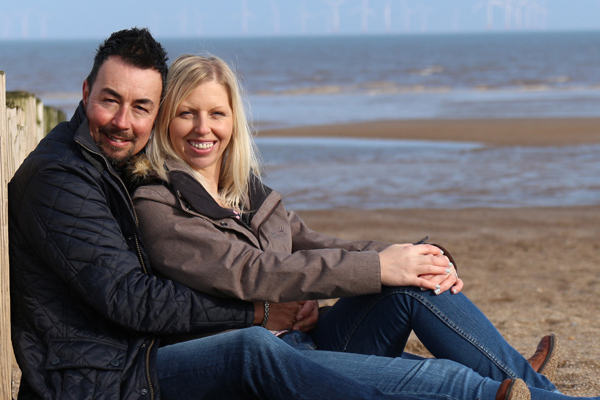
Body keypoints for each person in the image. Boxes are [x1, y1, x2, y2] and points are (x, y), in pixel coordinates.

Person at [8, 28, 475, 400]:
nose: (123, 120)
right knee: (256, 350)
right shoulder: (66, 180)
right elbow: (134, 298)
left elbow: (305, 243)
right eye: (110, 100)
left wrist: (399, 257)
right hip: (110, 375)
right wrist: (257, 312)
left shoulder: (119, 169)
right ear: (86, 90)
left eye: (140, 107)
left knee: (418, 291)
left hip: (151, 352)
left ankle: (504, 380)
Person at [131, 54, 599, 400]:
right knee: (455, 383)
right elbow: (252, 271)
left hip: (310, 339)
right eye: (186, 113)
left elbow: (313, 243)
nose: (202, 128)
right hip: (273, 361)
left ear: (235, 120)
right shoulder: (158, 203)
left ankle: (536, 388)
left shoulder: (245, 191)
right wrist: (377, 266)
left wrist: (411, 255)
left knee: (419, 284)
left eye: (217, 113)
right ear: (165, 120)